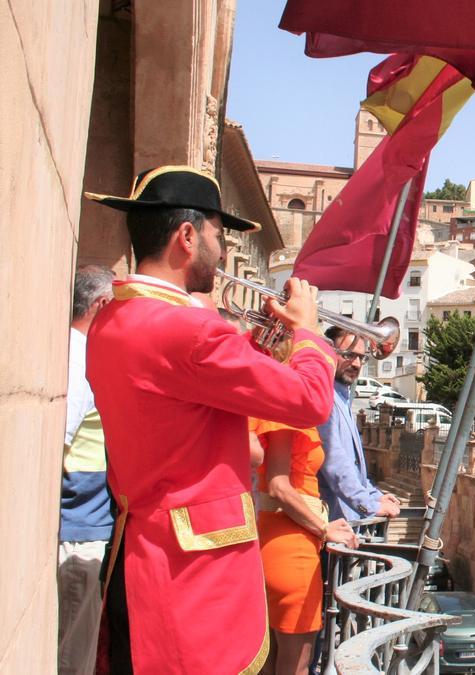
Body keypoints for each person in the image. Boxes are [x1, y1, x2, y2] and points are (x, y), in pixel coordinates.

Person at [84, 166, 337, 674]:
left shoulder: (112, 319)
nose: (221, 253)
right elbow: (310, 400)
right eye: (217, 237)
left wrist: (257, 343)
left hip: (137, 557)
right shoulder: (190, 332)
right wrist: (307, 333)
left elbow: (189, 390)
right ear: (186, 236)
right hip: (193, 577)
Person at [251, 342, 359, 675]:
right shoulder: (287, 410)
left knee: (267, 662)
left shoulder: (270, 405)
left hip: (274, 537)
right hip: (292, 546)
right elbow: (280, 486)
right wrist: (324, 527)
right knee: (296, 666)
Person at [58, 264, 114, 675]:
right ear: (100, 305)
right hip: (78, 534)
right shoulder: (78, 361)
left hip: (85, 529)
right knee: (71, 661)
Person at [317, 326, 402, 522]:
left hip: (344, 521)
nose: (356, 363)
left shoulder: (342, 398)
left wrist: (374, 494)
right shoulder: (325, 397)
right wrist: (370, 504)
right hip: (329, 523)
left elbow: (352, 468)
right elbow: (334, 462)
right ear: (329, 353)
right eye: (349, 355)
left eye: (361, 358)